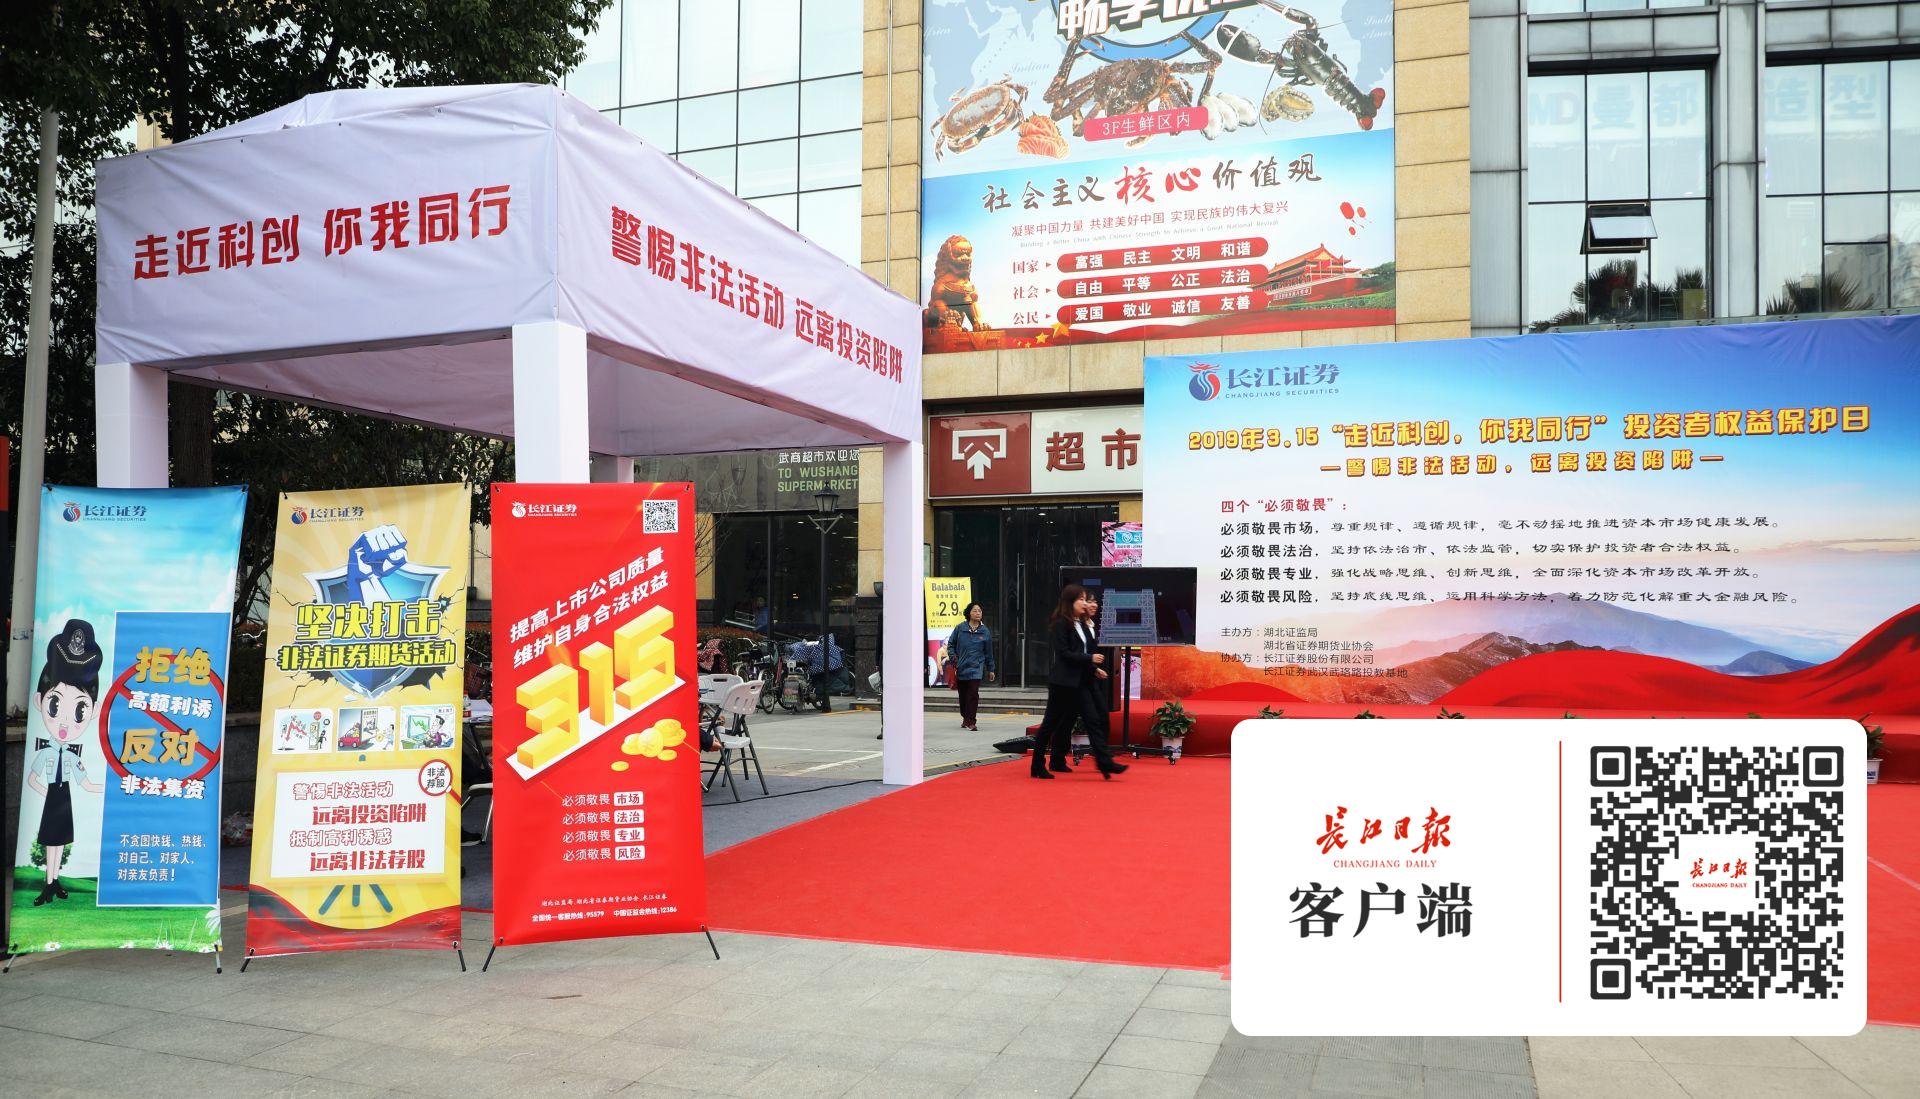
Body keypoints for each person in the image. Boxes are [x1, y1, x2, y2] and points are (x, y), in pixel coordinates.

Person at [27, 619, 106, 906]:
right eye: (55, 704)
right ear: (40, 701)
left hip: (66, 798)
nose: (63, 723)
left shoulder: (72, 755)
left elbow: (86, 783)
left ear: (93, 711)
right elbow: (32, 779)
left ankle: (54, 880)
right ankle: (47, 883)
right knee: (50, 840)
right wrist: (45, 792)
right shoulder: (45, 752)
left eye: (80, 710)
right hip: (52, 796)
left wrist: (109, 787)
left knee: (59, 841)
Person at [1031, 585, 1127, 780]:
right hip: (1063, 683)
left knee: (1093, 720)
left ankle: (1105, 762)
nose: (1085, 603)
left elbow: (1085, 651)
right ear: (1070, 602)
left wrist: (1093, 668)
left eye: (1086, 599)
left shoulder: (1082, 624)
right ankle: (1037, 765)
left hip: (1081, 682)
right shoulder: (1061, 624)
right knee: (1050, 724)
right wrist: (1090, 659)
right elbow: (1064, 653)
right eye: (1081, 599)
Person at [941, 602, 996, 731]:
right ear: (969, 613)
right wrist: (954, 658)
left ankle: (971, 721)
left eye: (980, 611)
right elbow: (951, 644)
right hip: (961, 667)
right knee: (963, 696)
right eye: (975, 611)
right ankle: (965, 718)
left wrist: (991, 669)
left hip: (976, 668)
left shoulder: (985, 631)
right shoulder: (960, 628)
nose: (978, 613)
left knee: (973, 694)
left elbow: (989, 652)